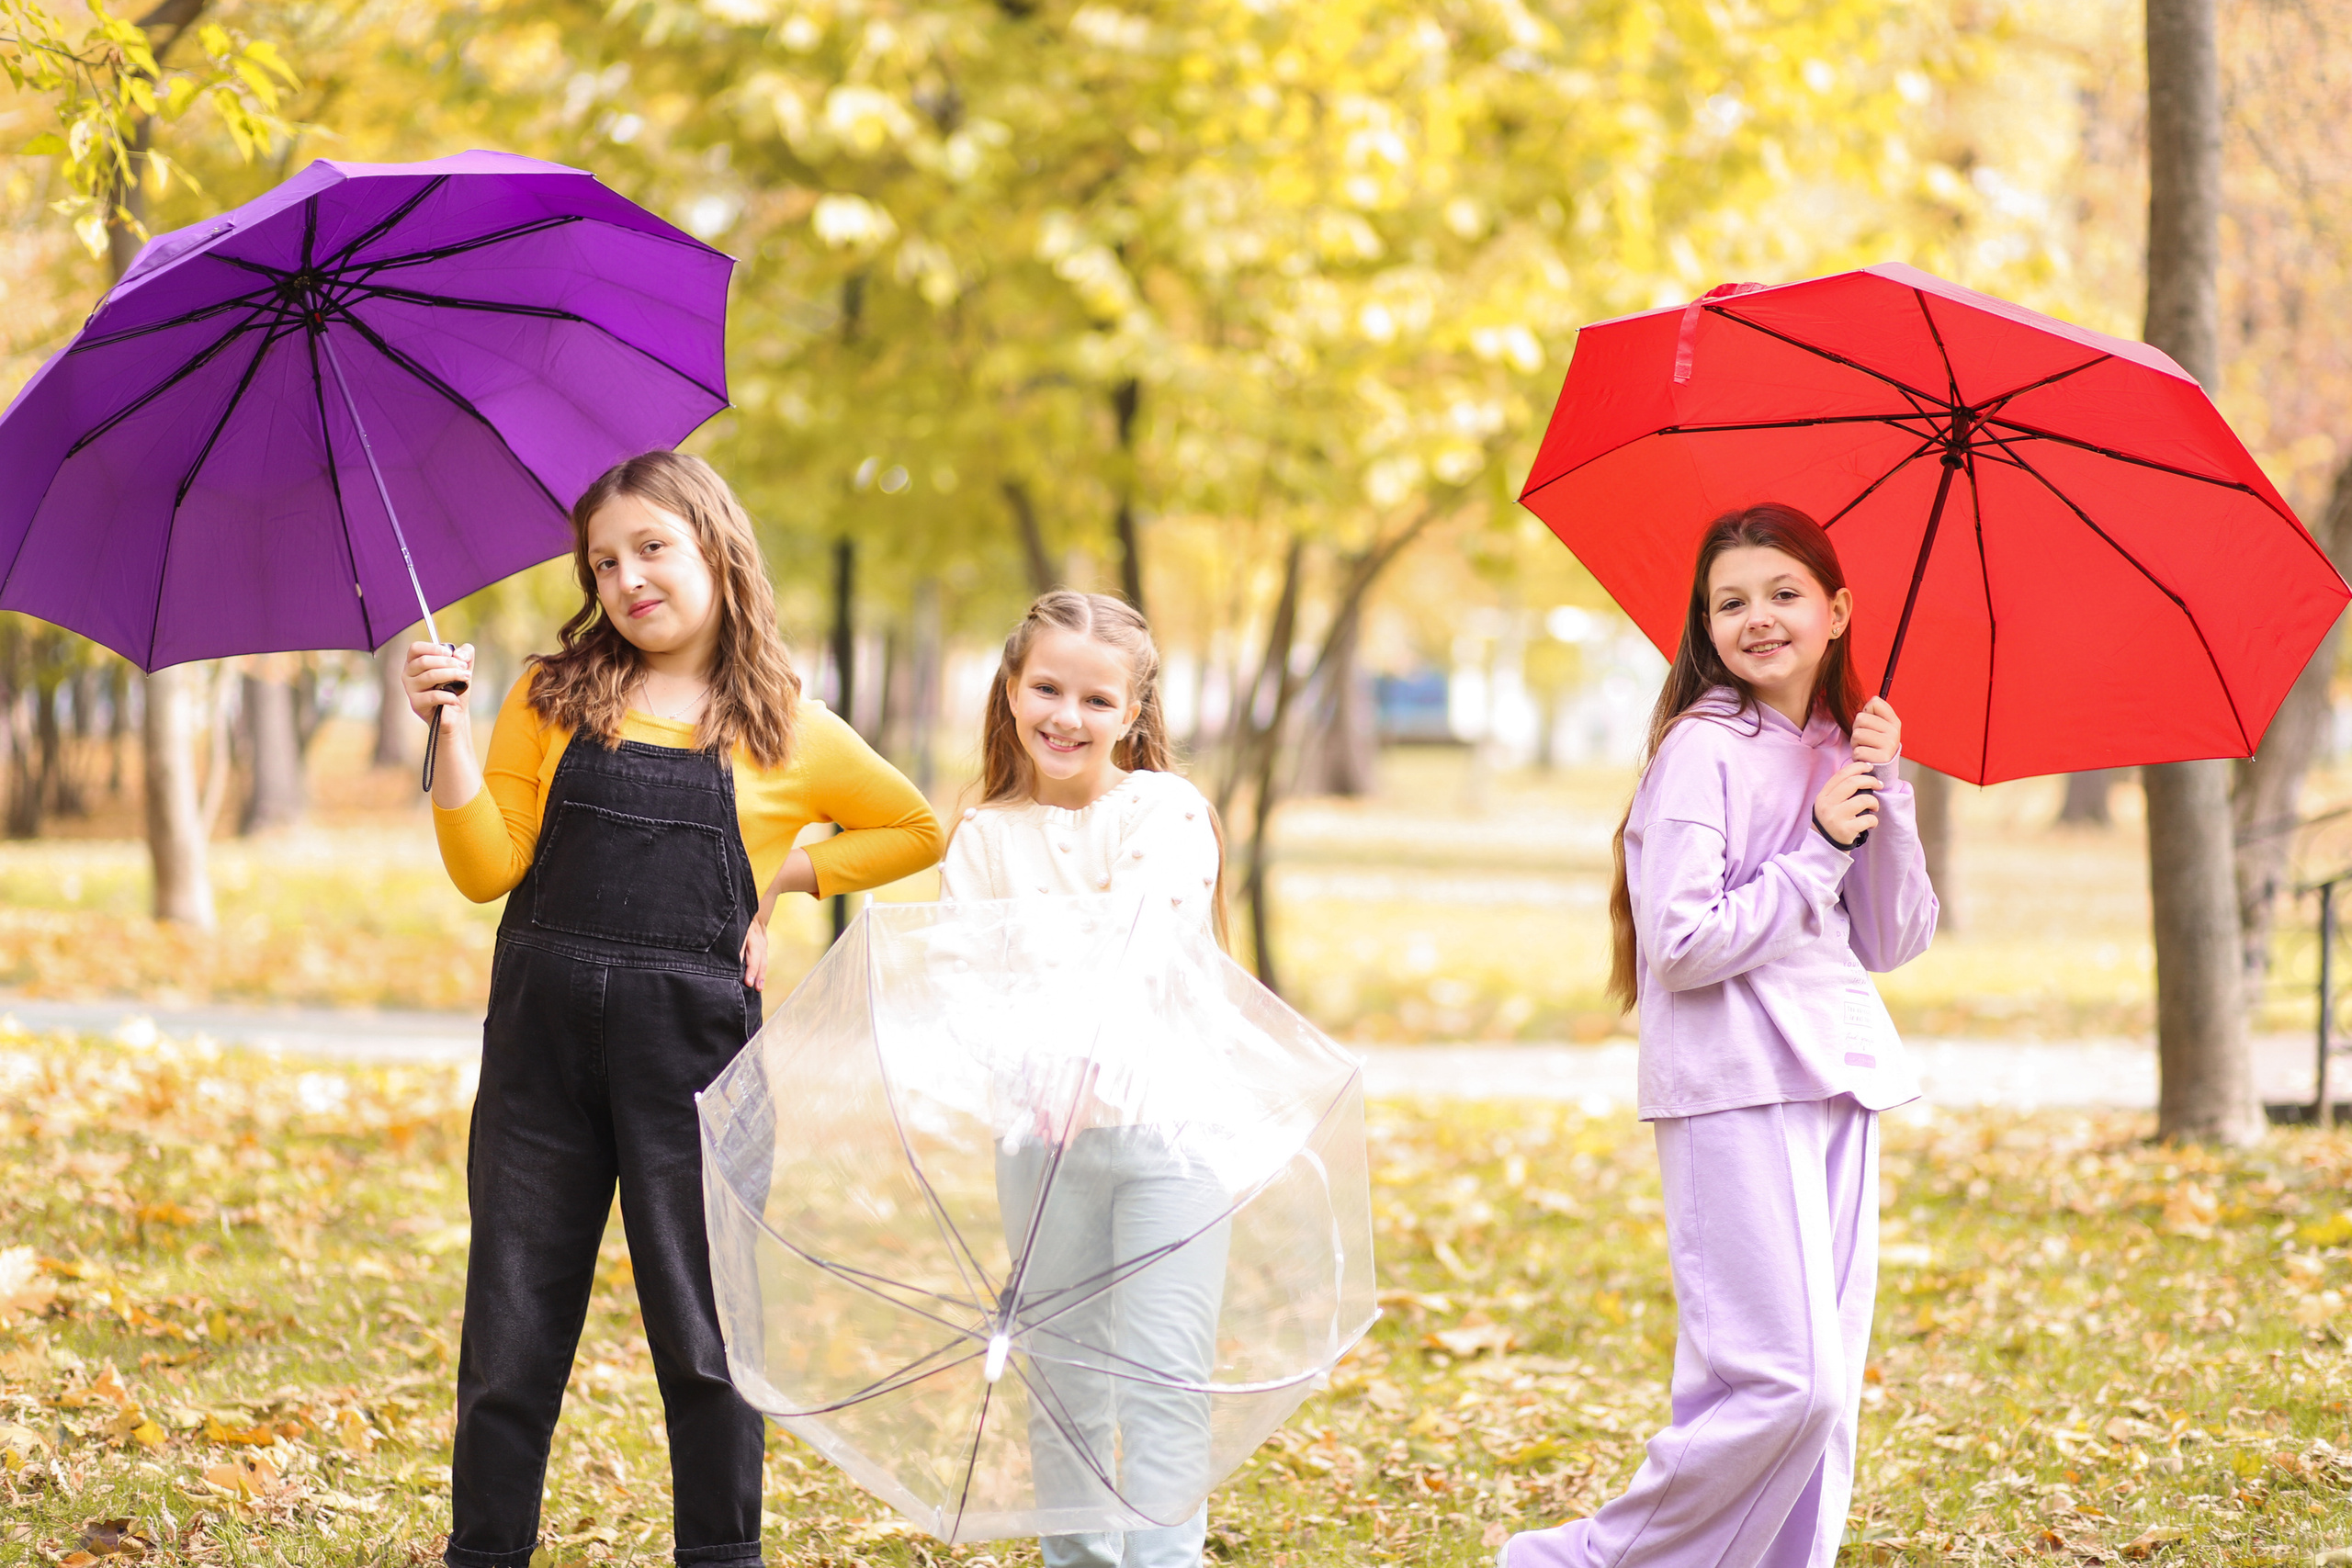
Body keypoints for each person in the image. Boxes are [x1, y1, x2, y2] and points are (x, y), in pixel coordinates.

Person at [403, 450, 944, 1568]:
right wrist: (446, 734)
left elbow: (915, 829)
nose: (628, 579)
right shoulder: (545, 697)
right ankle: (486, 1550)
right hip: (540, 1056)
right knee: (510, 1330)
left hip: (691, 1062)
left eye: (652, 548)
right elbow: (484, 868)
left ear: (715, 548)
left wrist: (785, 878)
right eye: (604, 562)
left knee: (704, 1338)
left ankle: (719, 1555)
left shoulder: (790, 728)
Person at [1498, 502, 1938, 1568]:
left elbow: (1892, 937)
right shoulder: (1705, 747)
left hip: (1835, 1082)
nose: (1758, 618)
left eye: (1785, 594)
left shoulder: (1841, 746)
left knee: (1823, 1404)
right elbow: (1684, 943)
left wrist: (1890, 795)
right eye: (1731, 601)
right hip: (1732, 1084)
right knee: (1785, 1383)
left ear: (1836, 611)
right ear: (1704, 623)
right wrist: (1818, 849)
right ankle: (1576, 1561)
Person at [938, 590, 1228, 1568]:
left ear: (1133, 715)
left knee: (1160, 1375)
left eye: (1097, 701)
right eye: (1048, 689)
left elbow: (1144, 934)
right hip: (1042, 1143)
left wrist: (1084, 1054)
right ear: (1011, 690)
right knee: (1061, 1378)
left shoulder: (1164, 811)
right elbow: (964, 981)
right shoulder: (983, 834)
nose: (1067, 716)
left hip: (1169, 1138)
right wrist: (1026, 1065)